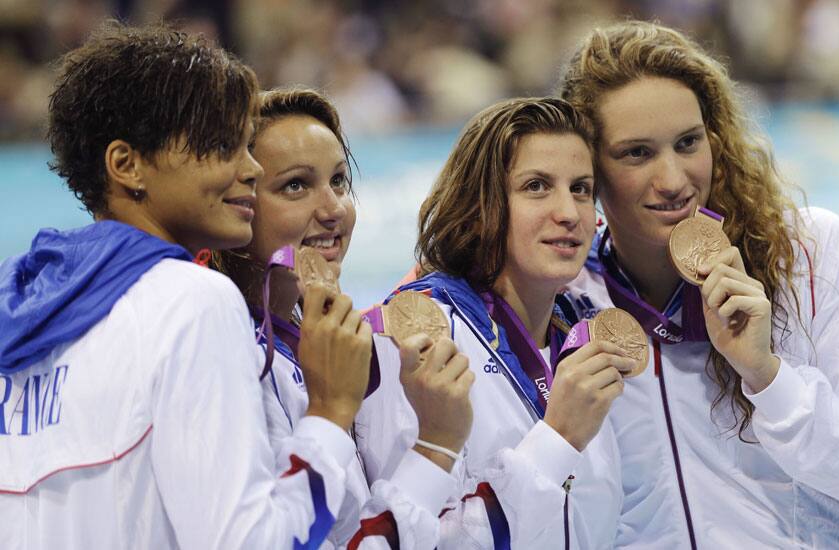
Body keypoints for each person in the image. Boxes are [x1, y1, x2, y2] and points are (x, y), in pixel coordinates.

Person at [0, 22, 371, 549]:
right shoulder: (189, 300)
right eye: (222, 145)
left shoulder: (21, 299)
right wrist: (331, 414)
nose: (250, 169)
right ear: (127, 165)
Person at [558, 19, 839, 548]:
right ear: (589, 167)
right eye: (637, 153)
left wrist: (768, 375)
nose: (674, 180)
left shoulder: (806, 254)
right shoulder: (565, 299)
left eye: (688, 143)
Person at [355, 97, 637, 549]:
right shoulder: (416, 338)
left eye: (581, 188)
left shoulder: (583, 336)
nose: (568, 212)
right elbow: (410, 539)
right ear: (482, 203)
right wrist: (556, 439)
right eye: (537, 186)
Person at [213, 86, 475, 548]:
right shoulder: (227, 358)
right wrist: (435, 445)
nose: (334, 209)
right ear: (234, 199)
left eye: (338, 181)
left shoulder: (320, 339)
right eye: (295, 185)